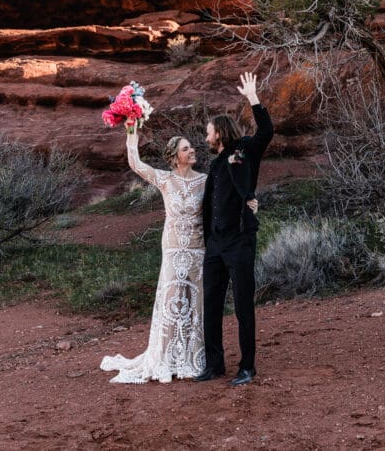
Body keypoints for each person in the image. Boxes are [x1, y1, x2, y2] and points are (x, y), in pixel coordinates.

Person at [99, 132, 207, 383]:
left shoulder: (204, 180)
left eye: (191, 147)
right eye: (186, 148)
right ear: (174, 157)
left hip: (197, 247)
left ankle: (193, 356)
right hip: (171, 248)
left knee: (196, 301)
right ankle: (167, 358)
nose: (192, 151)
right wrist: (131, 133)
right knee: (171, 298)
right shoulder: (165, 179)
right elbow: (136, 164)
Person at [194, 72, 274, 386]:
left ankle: (247, 367)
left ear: (220, 133)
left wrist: (253, 97)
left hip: (240, 239)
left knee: (242, 304)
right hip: (215, 244)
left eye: (208, 132)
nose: (205, 137)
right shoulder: (214, 165)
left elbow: (267, 131)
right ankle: (214, 365)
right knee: (211, 303)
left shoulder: (245, 151)